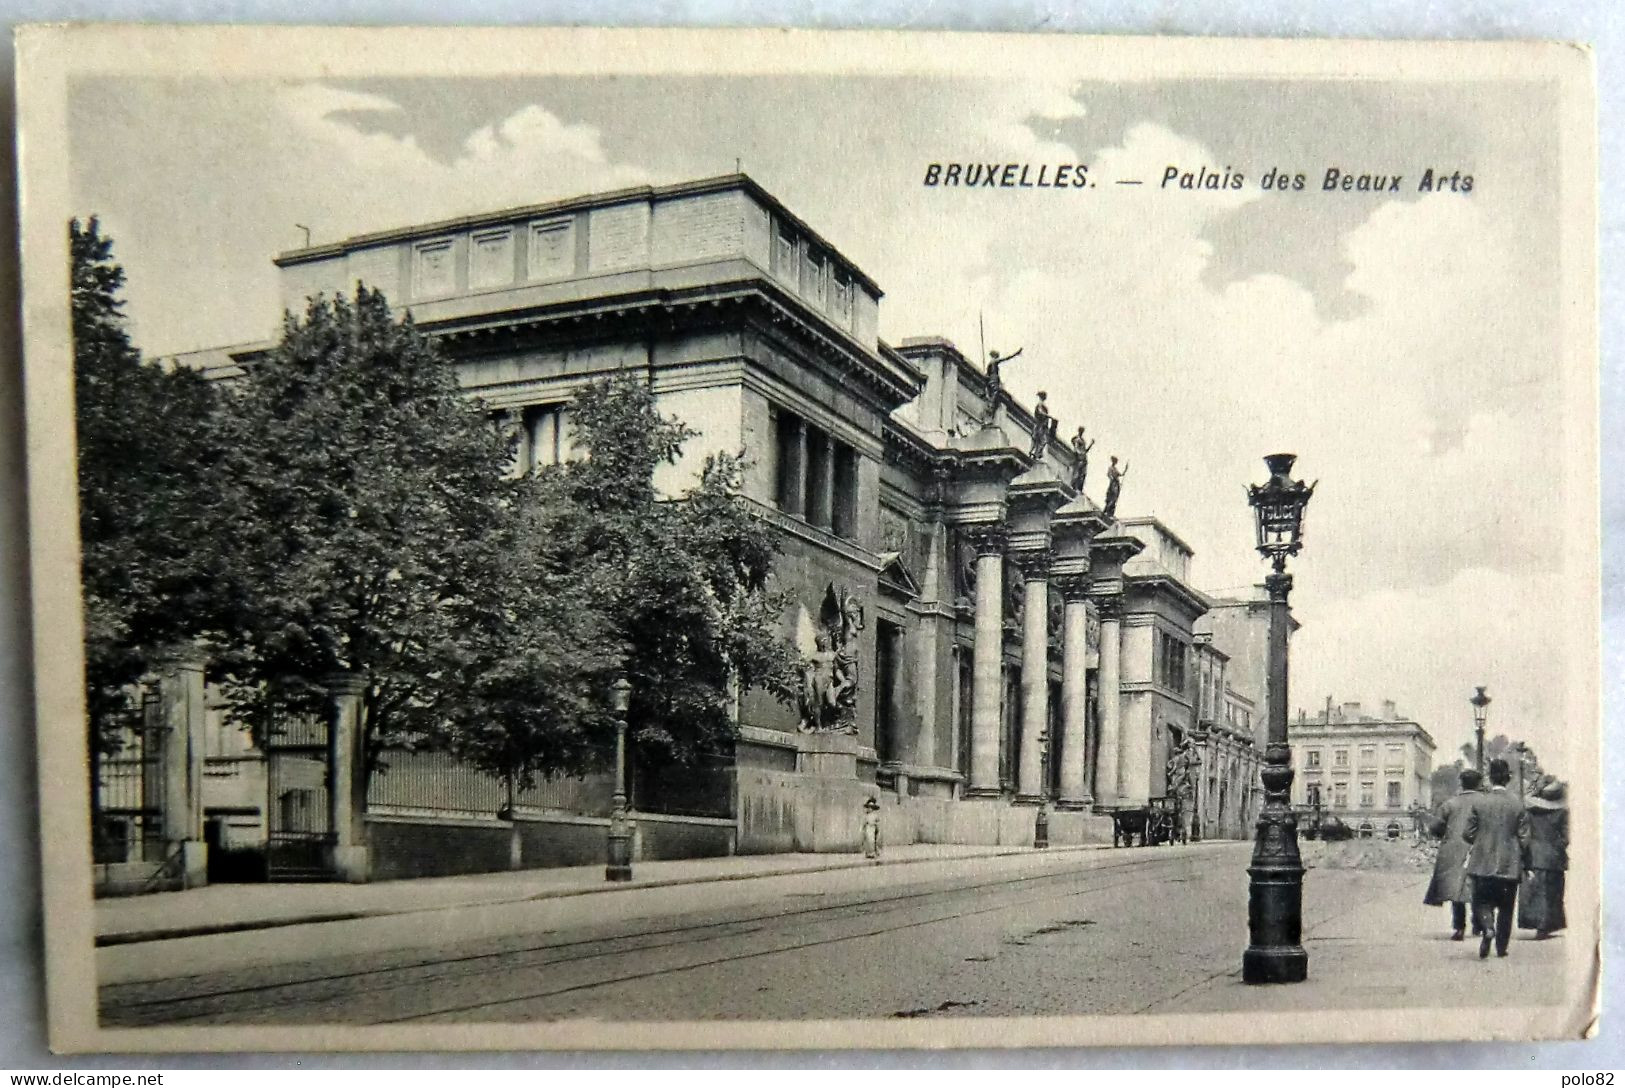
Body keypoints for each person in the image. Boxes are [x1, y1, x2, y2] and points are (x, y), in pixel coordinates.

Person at [1463, 757, 1532, 959]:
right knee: (1506, 907)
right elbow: (1525, 838)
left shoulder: (1479, 802)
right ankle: (1502, 948)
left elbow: (1467, 833)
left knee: (1482, 901)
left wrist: (1481, 837)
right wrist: (1525, 861)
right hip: (1509, 864)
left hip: (1482, 862)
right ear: (1508, 778)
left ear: (1489, 778)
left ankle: (1487, 928)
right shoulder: (1517, 804)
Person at [1424, 767, 1483, 940]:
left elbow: (1435, 828)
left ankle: (1459, 927)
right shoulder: (1485, 802)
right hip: (1478, 849)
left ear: (1461, 784)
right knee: (1478, 886)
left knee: (1457, 890)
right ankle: (1479, 923)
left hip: (1454, 850)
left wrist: (1447, 834)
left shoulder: (1450, 804)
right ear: (1479, 784)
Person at [1518, 778, 1568, 938]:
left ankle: (1537, 922)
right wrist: (1558, 845)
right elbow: (1566, 836)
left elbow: (1523, 831)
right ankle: (1548, 924)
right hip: (1554, 855)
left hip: (1533, 853)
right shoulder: (1561, 812)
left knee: (1535, 891)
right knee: (1552, 891)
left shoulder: (1530, 811)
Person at [862, 796, 882, 860]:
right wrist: (863, 827)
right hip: (868, 827)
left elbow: (878, 821)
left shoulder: (875, 815)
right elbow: (865, 822)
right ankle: (868, 853)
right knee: (867, 840)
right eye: (869, 807)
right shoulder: (866, 815)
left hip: (873, 828)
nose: (870, 809)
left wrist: (876, 825)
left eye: (871, 808)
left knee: (872, 840)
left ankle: (873, 853)